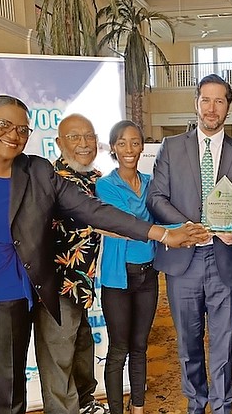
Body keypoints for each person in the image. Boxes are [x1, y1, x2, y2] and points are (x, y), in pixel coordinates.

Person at [0, 95, 206, 414]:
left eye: (22, 129)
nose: (13, 135)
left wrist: (164, 233)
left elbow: (95, 211)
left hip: (8, 302)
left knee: (5, 397)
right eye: (4, 125)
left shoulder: (36, 173)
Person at [146, 74, 232, 414]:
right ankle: (197, 403)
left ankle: (223, 406)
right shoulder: (172, 148)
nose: (212, 108)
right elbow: (156, 196)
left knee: (223, 344)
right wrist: (185, 226)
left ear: (228, 107)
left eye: (219, 101)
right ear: (196, 103)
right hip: (184, 261)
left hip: (225, 259)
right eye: (206, 100)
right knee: (187, 343)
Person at [32, 113, 107, 414]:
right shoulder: (48, 182)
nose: (84, 143)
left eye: (89, 136)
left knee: (81, 352)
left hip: (81, 287)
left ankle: (86, 405)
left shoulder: (96, 180)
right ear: (59, 142)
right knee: (58, 361)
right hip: (56, 287)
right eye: (75, 137)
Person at [95, 120, 157, 414]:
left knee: (140, 346)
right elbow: (124, 222)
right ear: (113, 148)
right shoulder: (106, 185)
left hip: (148, 275)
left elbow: (159, 218)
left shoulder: (151, 183)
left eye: (134, 142)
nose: (129, 149)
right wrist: (160, 227)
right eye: (122, 143)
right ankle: (117, 410)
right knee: (118, 350)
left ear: (142, 147)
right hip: (118, 279)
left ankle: (139, 408)